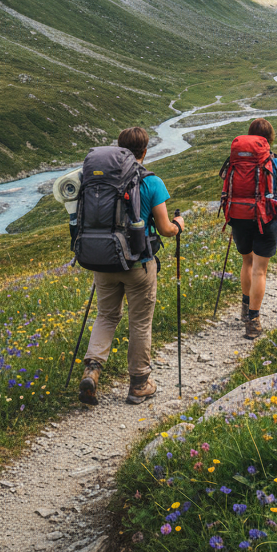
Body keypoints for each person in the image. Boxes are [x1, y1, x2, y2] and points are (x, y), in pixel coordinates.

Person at [78, 126, 184, 407]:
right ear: (145, 151)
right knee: (140, 322)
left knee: (106, 317)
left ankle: (92, 370)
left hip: (103, 261)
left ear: (120, 149)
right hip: (139, 264)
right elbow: (164, 228)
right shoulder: (151, 181)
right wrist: (178, 226)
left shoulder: (98, 180)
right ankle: (139, 384)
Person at [229, 117, 277, 340]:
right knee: (260, 269)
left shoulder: (236, 161)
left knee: (247, 262)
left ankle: (244, 307)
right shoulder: (276, 163)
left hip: (239, 216)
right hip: (265, 219)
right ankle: (253, 321)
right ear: (269, 139)